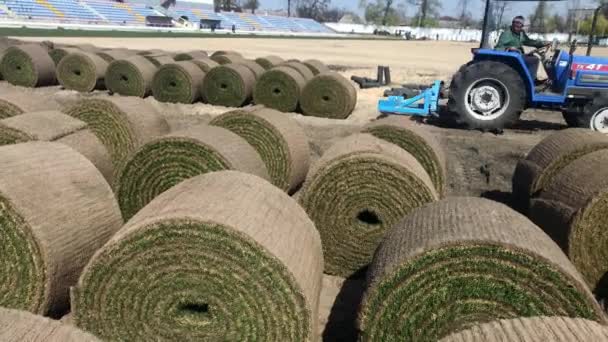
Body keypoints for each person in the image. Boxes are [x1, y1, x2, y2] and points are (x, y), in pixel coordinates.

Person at [495, 16, 550, 82]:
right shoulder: (506, 34)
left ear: (522, 25)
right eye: (516, 23)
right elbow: (497, 48)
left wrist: (542, 43)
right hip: (510, 58)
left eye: (519, 23)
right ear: (512, 23)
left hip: (518, 55)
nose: (517, 25)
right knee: (534, 60)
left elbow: (529, 41)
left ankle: (536, 79)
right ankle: (530, 81)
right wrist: (508, 48)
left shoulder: (521, 33)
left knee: (534, 57)